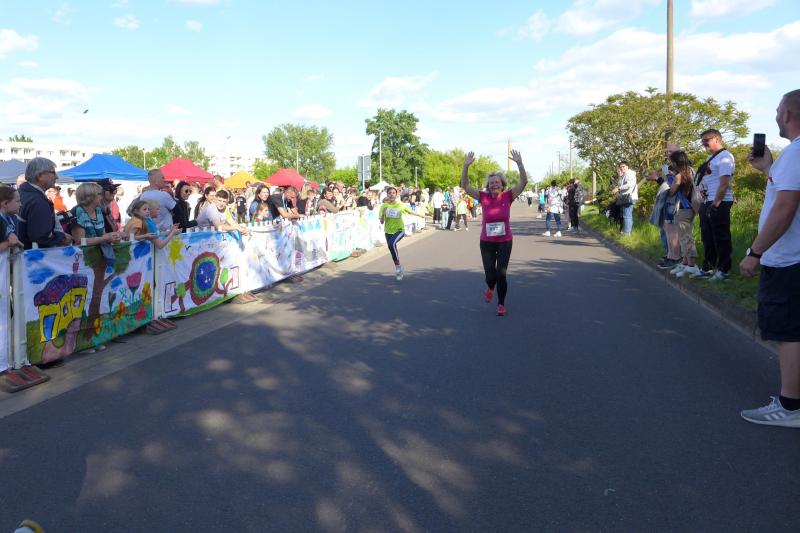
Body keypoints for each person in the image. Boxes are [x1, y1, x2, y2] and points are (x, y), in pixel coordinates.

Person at [739, 89, 800, 427]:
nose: (776, 115)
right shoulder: (791, 158)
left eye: (778, 110)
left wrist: (755, 252)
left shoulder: (796, 153)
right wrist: (768, 169)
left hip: (789, 259)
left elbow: (785, 207)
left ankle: (791, 407)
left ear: (787, 114)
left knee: (789, 332)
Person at [461, 149, 528, 316]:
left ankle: (501, 304)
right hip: (487, 242)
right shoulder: (483, 197)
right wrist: (466, 166)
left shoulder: (508, 196)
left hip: (505, 241)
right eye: (491, 183)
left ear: (502, 184)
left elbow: (523, 182)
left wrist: (520, 163)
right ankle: (490, 287)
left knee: (501, 274)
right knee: (490, 276)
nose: (494, 185)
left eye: (497, 182)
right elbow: (466, 186)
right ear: (488, 186)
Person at [694, 129, 736, 282]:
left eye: (706, 140)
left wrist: (716, 204)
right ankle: (708, 267)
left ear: (717, 139)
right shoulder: (710, 158)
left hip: (719, 202)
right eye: (702, 141)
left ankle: (724, 270)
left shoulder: (725, 157)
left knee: (720, 237)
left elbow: (724, 184)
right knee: (707, 236)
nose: (704, 144)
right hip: (708, 201)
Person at [17, 158, 73, 249]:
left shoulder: (23, 192)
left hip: (21, 253)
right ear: (40, 176)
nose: (56, 177)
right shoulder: (37, 201)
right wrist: (62, 237)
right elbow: (41, 236)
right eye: (53, 172)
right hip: (31, 254)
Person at [378, 186, 426, 280]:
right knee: (392, 249)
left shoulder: (400, 205)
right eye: (390, 193)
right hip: (388, 231)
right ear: (387, 194)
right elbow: (382, 222)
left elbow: (410, 212)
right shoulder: (384, 206)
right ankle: (398, 267)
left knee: (391, 244)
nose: (391, 195)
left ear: (396, 195)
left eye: (393, 193)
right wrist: (383, 213)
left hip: (399, 230)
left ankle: (398, 268)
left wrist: (420, 215)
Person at [666, 151, 701, 278]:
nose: (671, 164)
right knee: (684, 236)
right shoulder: (691, 171)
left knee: (685, 237)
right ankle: (685, 263)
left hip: (683, 208)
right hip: (691, 207)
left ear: (676, 163)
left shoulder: (679, 176)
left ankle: (691, 266)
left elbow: (671, 192)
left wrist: (667, 178)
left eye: (671, 162)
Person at [70, 182, 122, 247]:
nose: (102, 197)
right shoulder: (77, 211)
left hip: (98, 251)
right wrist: (105, 239)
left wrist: (114, 236)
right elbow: (80, 241)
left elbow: (103, 234)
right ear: (90, 196)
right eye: (100, 194)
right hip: (83, 252)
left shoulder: (98, 210)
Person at [140, 169, 176, 234]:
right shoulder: (163, 195)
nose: (164, 180)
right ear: (156, 181)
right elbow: (178, 210)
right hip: (166, 234)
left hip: (150, 233)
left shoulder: (143, 195)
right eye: (162, 178)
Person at [0, 185, 22, 252]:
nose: (20, 204)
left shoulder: (13, 217)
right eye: (18, 201)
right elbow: (13, 241)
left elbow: (15, 240)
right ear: (6, 203)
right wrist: (8, 243)